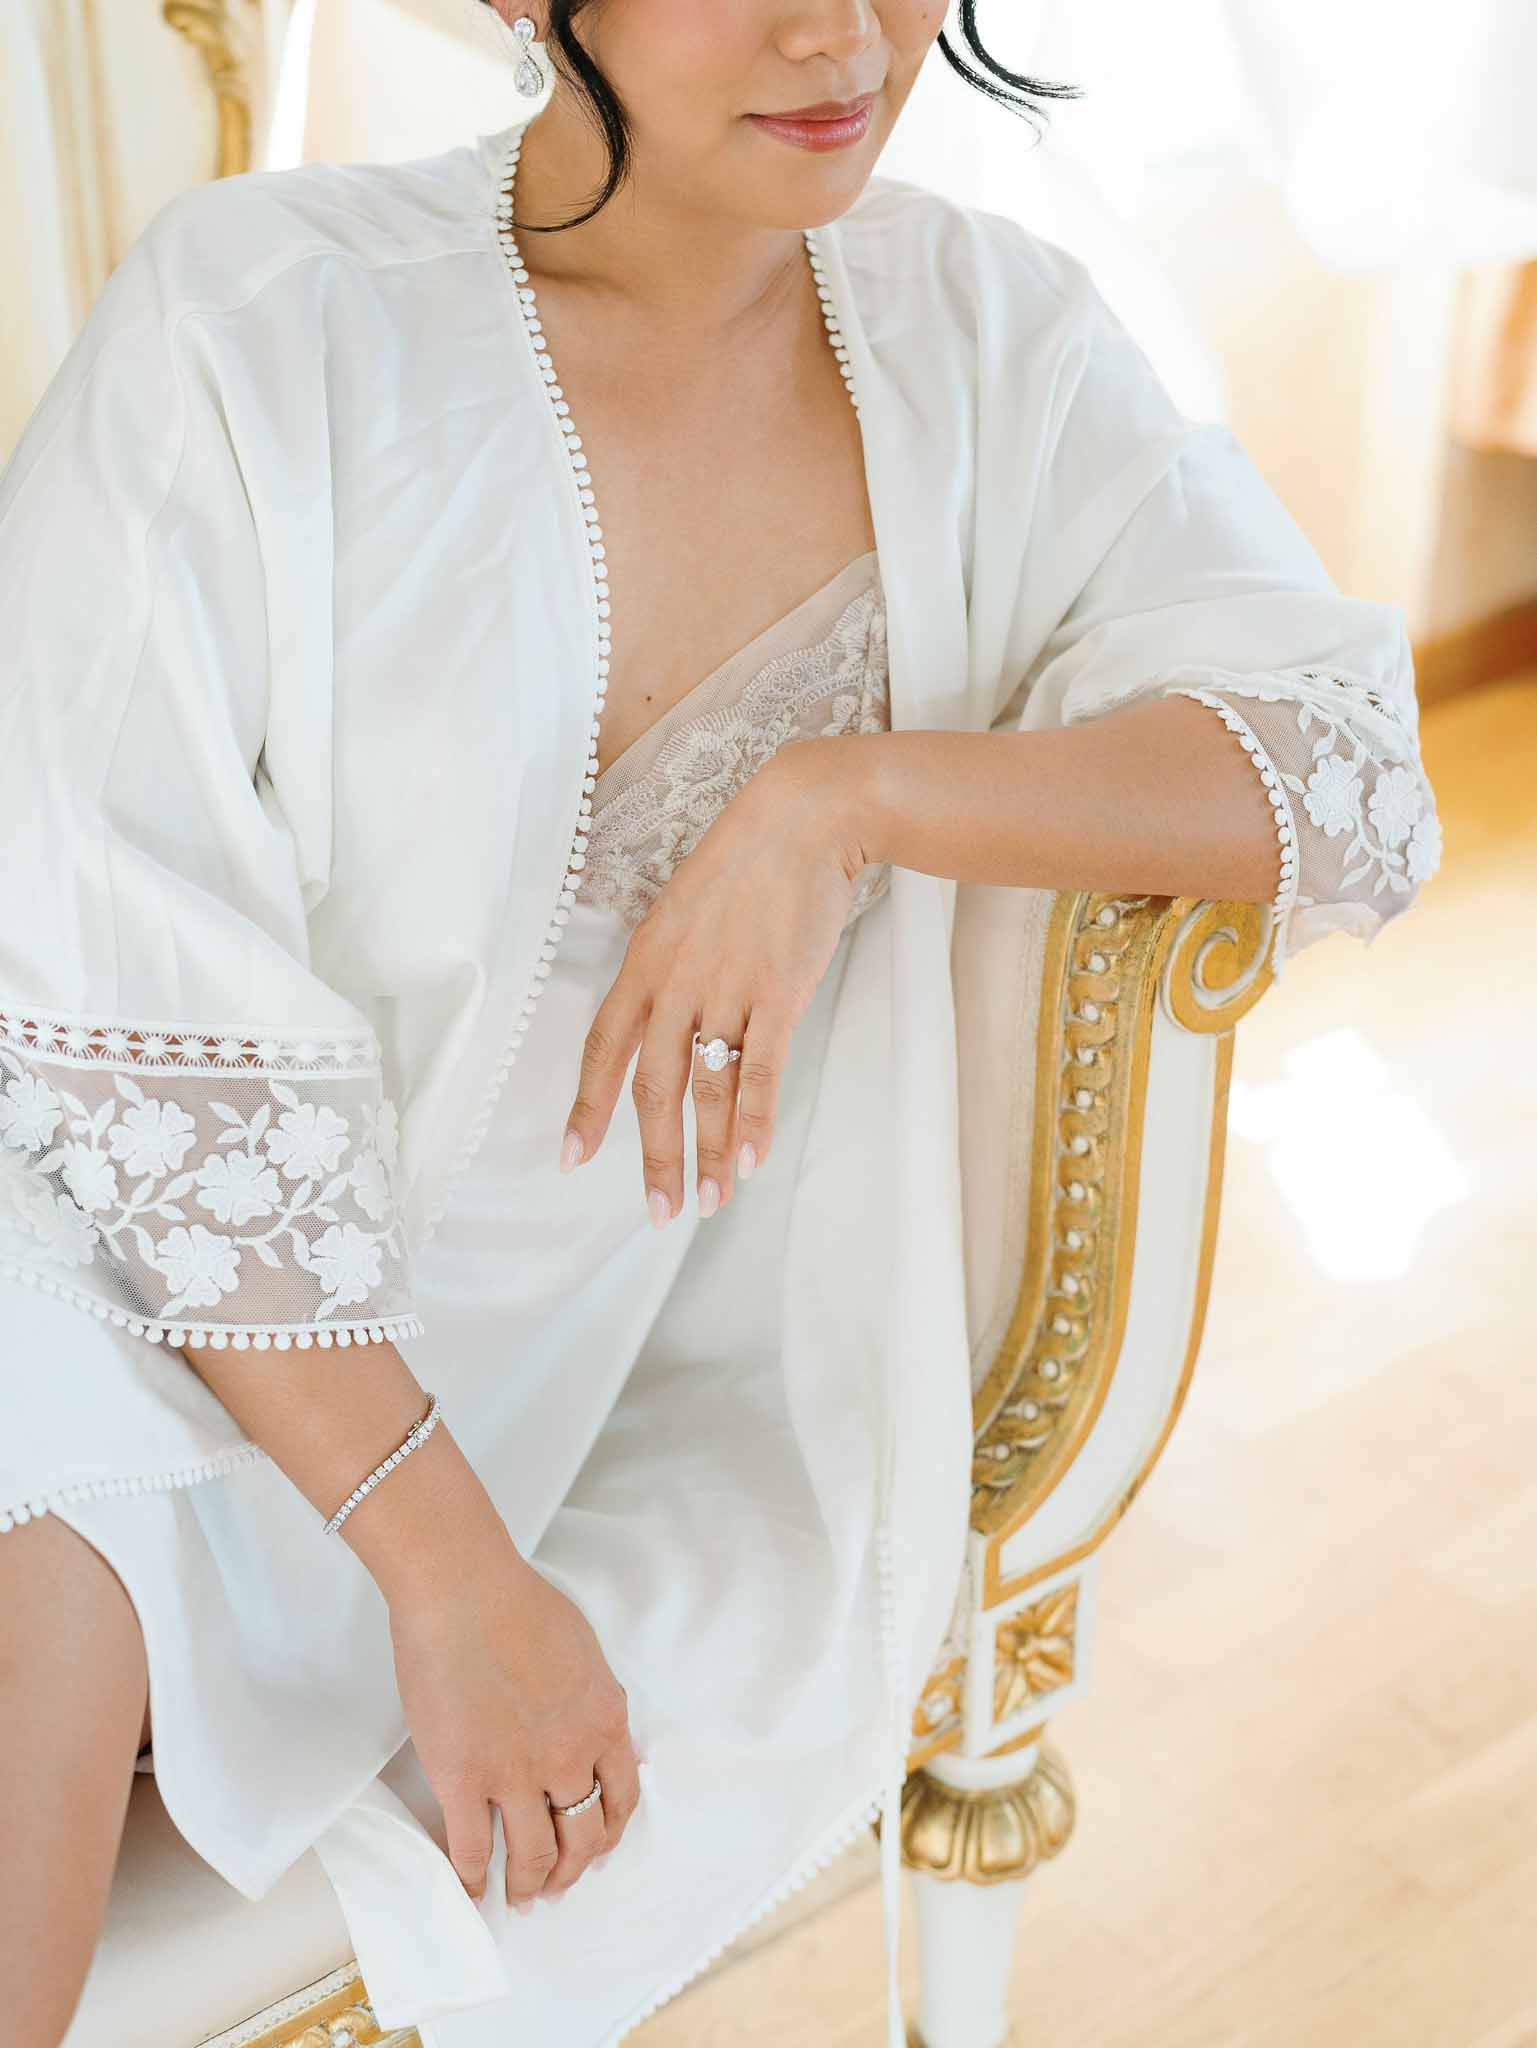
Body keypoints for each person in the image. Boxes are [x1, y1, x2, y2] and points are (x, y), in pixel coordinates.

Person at [0, 6, 1441, 2046]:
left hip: (559, 1378)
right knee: (40, 1513)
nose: (834, 32)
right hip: (103, 1250)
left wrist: (842, 801)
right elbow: (103, 1008)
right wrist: (446, 1568)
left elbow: (1353, 775)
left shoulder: (991, 342)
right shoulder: (264, 315)